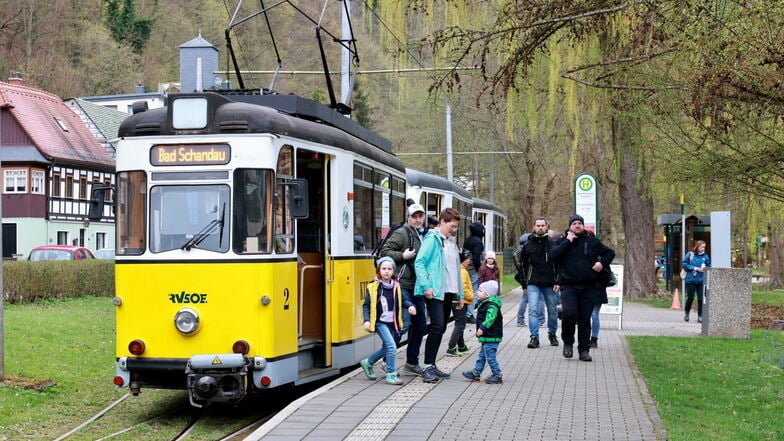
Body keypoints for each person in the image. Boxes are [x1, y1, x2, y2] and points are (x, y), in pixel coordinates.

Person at [550, 214, 615, 362]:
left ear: (583, 226)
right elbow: (554, 256)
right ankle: (568, 343)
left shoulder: (591, 241)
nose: (577, 226)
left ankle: (584, 350)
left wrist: (601, 263)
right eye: (574, 223)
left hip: (588, 286)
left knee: (585, 319)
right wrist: (568, 241)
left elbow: (610, 253)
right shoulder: (562, 241)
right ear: (570, 226)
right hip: (569, 286)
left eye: (579, 223)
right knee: (569, 314)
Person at [414, 207, 464, 383]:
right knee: (436, 326)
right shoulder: (433, 240)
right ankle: (427, 366)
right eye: (452, 225)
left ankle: (432, 364)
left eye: (456, 226)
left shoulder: (450, 242)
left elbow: (456, 270)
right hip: (435, 290)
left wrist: (460, 295)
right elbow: (419, 262)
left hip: (448, 291)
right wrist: (426, 285)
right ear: (442, 222)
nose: (454, 229)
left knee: (441, 328)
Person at [379, 203, 427, 376]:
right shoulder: (402, 233)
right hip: (403, 285)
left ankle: (411, 363)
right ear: (408, 217)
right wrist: (402, 256)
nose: (418, 219)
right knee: (403, 325)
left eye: (420, 216)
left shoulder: (422, 234)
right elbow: (384, 252)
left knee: (420, 325)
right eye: (415, 216)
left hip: (417, 287)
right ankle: (386, 361)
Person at [360, 257, 416, 385]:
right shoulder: (373, 287)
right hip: (380, 322)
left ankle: (368, 362)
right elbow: (366, 305)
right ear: (379, 270)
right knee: (391, 346)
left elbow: (402, 300)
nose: (386, 271)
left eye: (389, 269)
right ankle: (390, 374)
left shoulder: (397, 286)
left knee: (387, 348)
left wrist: (410, 306)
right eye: (384, 269)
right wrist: (367, 320)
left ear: (393, 271)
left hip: (393, 322)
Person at [518, 217, 560, 348]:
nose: (540, 227)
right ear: (534, 227)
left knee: (553, 311)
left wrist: (558, 281)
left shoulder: (553, 244)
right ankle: (534, 337)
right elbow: (522, 266)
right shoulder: (528, 245)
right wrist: (524, 284)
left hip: (550, 283)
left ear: (547, 227)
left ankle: (552, 334)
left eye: (543, 225)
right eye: (538, 225)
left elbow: (559, 264)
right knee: (532, 310)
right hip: (533, 282)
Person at [461, 280, 503, 384]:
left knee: (490, 357)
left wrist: (482, 328)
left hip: (491, 336)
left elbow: (490, 319)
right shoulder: (485, 303)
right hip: (487, 336)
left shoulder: (492, 306)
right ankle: (476, 373)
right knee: (482, 356)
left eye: (480, 291)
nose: (477, 292)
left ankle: (497, 374)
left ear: (487, 294)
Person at [447, 248, 474, 356]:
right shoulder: (462, 271)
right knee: (460, 325)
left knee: (461, 323)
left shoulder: (459, 269)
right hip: (460, 301)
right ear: (463, 259)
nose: (469, 261)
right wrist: (471, 296)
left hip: (458, 300)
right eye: (468, 259)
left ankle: (461, 346)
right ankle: (451, 347)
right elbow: (462, 287)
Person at [682, 240, 711, 323]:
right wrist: (694, 268)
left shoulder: (705, 256)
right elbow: (684, 264)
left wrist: (705, 268)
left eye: (704, 247)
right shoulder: (690, 254)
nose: (703, 248)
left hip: (701, 280)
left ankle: (700, 316)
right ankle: (687, 312)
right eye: (702, 247)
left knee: (701, 299)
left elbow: (709, 266)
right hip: (691, 280)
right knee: (690, 298)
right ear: (697, 247)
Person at [463, 222, 485, 322]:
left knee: (466, 290)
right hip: (473, 270)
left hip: (465, 269)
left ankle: (464, 312)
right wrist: (479, 269)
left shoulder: (467, 240)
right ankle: (469, 314)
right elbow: (476, 258)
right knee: (474, 292)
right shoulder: (478, 242)